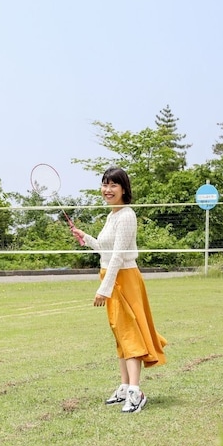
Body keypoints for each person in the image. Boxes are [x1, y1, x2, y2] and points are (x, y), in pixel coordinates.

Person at [70, 166, 166, 413]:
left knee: (130, 333)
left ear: (124, 189)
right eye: (105, 184)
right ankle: (125, 386)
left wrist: (105, 287)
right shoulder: (112, 215)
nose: (108, 190)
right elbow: (105, 248)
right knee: (120, 334)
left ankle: (135, 391)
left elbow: (118, 256)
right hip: (113, 277)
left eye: (113, 185)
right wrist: (85, 237)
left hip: (124, 279)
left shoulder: (126, 215)